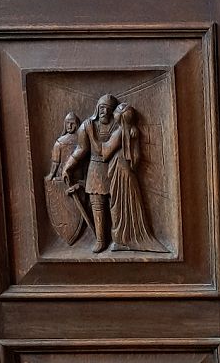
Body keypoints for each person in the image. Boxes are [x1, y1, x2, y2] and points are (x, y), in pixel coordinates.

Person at [63, 95, 119, 252]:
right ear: (97, 109)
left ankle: (118, 239)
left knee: (115, 205)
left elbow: (106, 151)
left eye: (108, 108)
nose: (104, 111)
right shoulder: (87, 125)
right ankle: (101, 240)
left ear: (113, 111)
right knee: (97, 205)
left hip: (113, 168)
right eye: (102, 107)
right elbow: (81, 150)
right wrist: (67, 167)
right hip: (95, 170)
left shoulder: (117, 126)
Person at [105, 103, 163, 252]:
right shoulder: (132, 131)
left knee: (119, 203)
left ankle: (121, 238)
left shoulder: (119, 133)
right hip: (128, 172)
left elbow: (105, 152)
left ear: (118, 117)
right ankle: (128, 236)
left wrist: (92, 137)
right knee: (128, 202)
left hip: (119, 171)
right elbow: (136, 157)